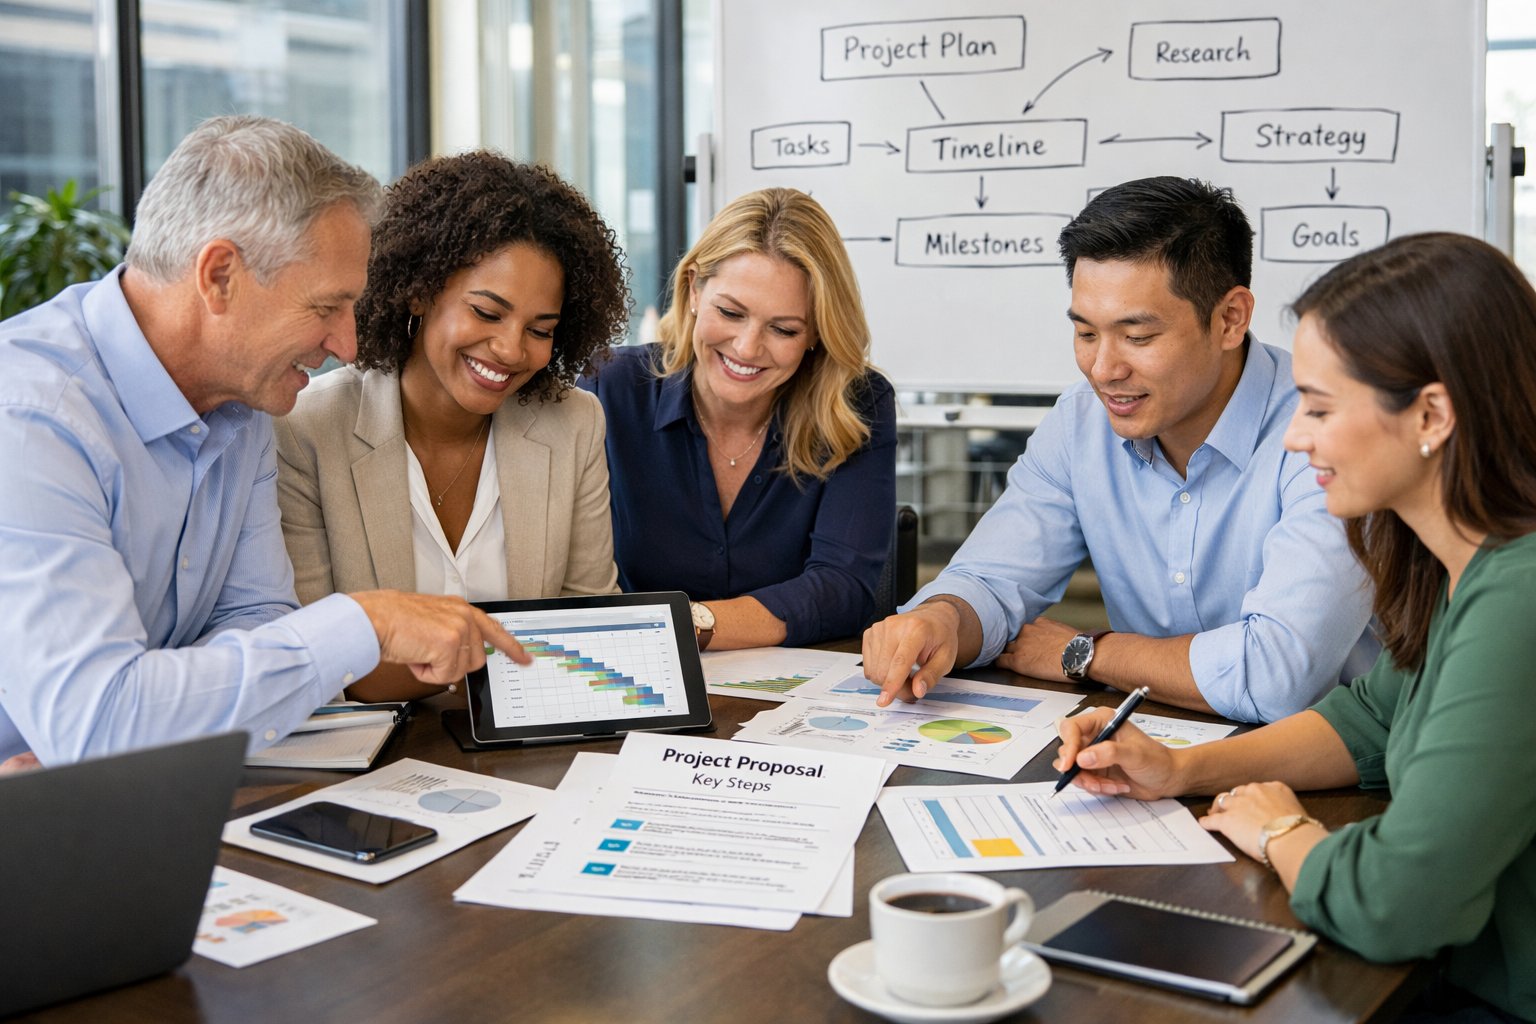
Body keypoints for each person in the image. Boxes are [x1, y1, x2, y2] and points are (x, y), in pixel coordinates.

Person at [1055, 232, 1536, 1022]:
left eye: (1319, 407)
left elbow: (1394, 904)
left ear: (1431, 414)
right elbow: (1373, 715)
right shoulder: (1458, 568)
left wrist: (1282, 832)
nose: (1294, 434)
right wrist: (1183, 771)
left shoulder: (1516, 601)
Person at [0, 116, 526, 767]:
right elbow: (101, 720)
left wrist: (155, 710)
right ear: (219, 275)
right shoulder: (30, 420)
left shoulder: (242, 406)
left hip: (149, 791)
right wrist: (369, 622)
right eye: (325, 308)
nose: (348, 345)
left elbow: (256, 626)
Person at [863, 176, 1376, 723]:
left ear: (1230, 319)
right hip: (1155, 749)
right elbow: (992, 579)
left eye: (1137, 337)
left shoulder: (1326, 427)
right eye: (1086, 334)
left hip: (1339, 771)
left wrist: (1087, 653)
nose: (1104, 370)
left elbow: (1277, 678)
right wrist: (941, 619)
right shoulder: (1081, 421)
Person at [277, 152, 629, 702]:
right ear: (420, 290)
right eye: (487, 313)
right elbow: (309, 658)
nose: (511, 350)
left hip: (530, 752)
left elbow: (591, 620)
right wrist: (514, 661)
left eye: (540, 329)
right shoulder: (308, 430)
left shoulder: (574, 423)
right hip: (375, 758)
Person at [581, 188, 895, 649]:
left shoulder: (856, 404)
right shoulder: (610, 388)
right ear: (693, 290)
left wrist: (687, 626)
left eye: (784, 329)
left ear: (816, 334)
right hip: (631, 677)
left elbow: (842, 589)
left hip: (793, 698)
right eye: (730, 312)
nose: (747, 348)